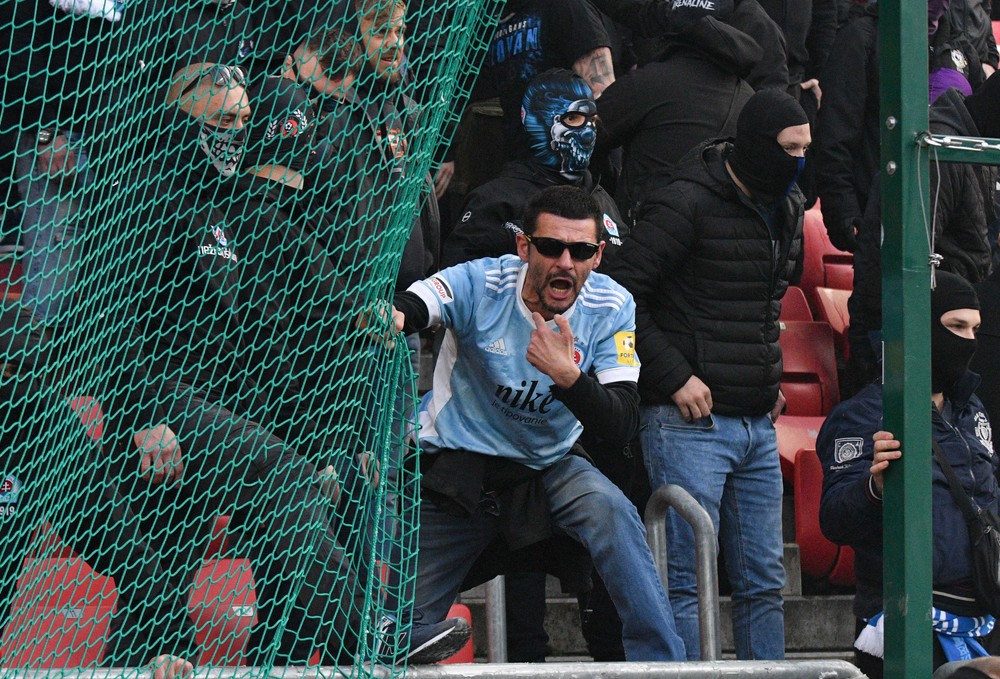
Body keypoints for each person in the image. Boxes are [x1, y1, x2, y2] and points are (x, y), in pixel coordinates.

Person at [85, 62, 365, 666]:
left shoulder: (247, 205)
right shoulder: (141, 198)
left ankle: (283, 648)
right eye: (222, 120)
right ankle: (364, 634)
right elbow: (109, 326)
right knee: (283, 477)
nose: (236, 132)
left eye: (243, 119)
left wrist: (382, 313)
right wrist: (143, 416)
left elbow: (323, 297)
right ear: (179, 122)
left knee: (160, 583)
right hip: (165, 409)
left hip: (234, 410)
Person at [384, 185, 687, 664]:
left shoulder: (613, 304)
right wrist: (397, 314)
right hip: (461, 466)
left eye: (581, 251)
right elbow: (419, 301)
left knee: (611, 509)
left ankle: (664, 665)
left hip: (551, 464)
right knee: (398, 628)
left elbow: (623, 420)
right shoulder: (483, 280)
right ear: (524, 247)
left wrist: (569, 378)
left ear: (598, 256)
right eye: (551, 247)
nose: (566, 262)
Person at [602, 88, 810, 660]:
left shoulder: (788, 207)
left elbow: (767, 303)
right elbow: (618, 296)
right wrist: (673, 376)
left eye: (805, 149)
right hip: (686, 422)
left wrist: (769, 379)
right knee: (687, 579)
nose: (799, 162)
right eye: (790, 148)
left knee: (764, 582)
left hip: (755, 423)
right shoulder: (685, 201)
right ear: (757, 145)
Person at [818, 270, 1000, 678]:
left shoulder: (971, 410)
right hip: (905, 624)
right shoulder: (863, 414)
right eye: (956, 326)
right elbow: (834, 520)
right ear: (921, 328)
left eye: (975, 329)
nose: (969, 341)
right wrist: (875, 487)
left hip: (985, 614)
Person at [0, 305, 195, 679]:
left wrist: (171, 644)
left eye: (17, 372)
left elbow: (124, 547)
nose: (12, 381)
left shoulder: (40, 423)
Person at [443, 68, 627, 268]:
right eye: (572, 119)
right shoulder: (496, 202)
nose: (588, 132)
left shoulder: (601, 199)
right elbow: (462, 279)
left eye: (592, 120)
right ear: (538, 123)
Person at [594, 13, 759, 222]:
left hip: (650, 222)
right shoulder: (749, 96)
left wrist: (609, 187)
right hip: (726, 225)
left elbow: (589, 135)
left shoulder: (648, 82)